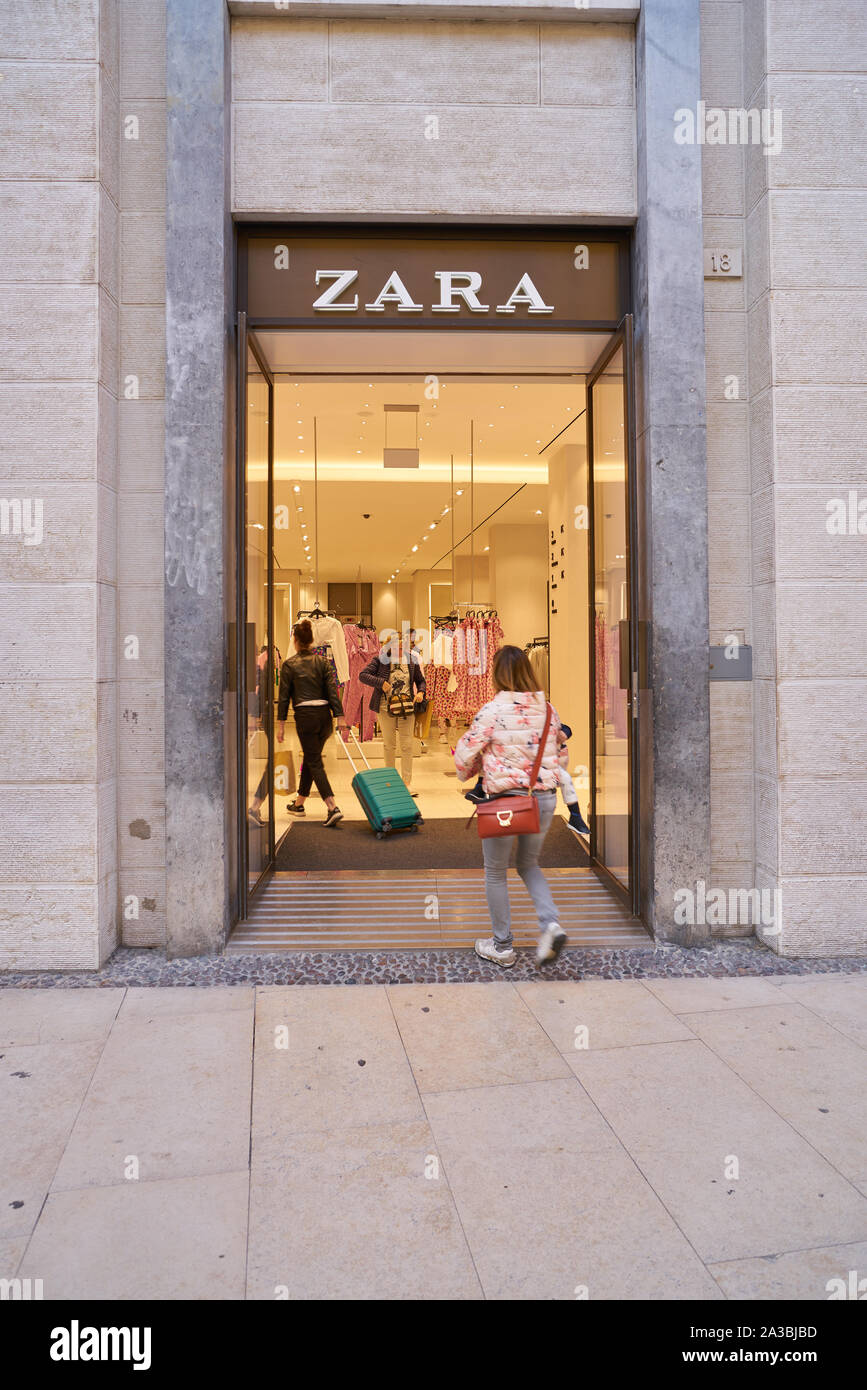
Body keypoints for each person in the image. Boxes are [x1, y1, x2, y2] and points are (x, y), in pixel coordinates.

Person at [454, 645, 569, 968]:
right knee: (529, 864)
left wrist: (471, 771)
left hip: (504, 803)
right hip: (543, 799)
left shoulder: (492, 710)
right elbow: (561, 756)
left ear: (497, 675)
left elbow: (464, 756)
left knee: (495, 872)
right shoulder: (548, 710)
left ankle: (502, 946)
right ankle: (551, 926)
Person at [276, 619, 345, 827]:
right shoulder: (323, 663)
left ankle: (332, 806)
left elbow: (284, 697)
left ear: (295, 641)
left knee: (314, 761)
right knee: (310, 757)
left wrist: (280, 725)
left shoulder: (289, 665)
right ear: (313, 641)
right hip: (324, 719)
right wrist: (340, 717)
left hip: (305, 717)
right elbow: (333, 692)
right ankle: (299, 803)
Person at [359, 627, 426, 795]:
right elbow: (363, 675)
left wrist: (420, 692)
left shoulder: (411, 660)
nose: (400, 647)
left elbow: (420, 680)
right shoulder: (381, 660)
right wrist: (381, 683)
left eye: (403, 643)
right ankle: (390, 781)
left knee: (407, 745)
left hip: (407, 706)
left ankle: (407, 782)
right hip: (384, 705)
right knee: (389, 745)